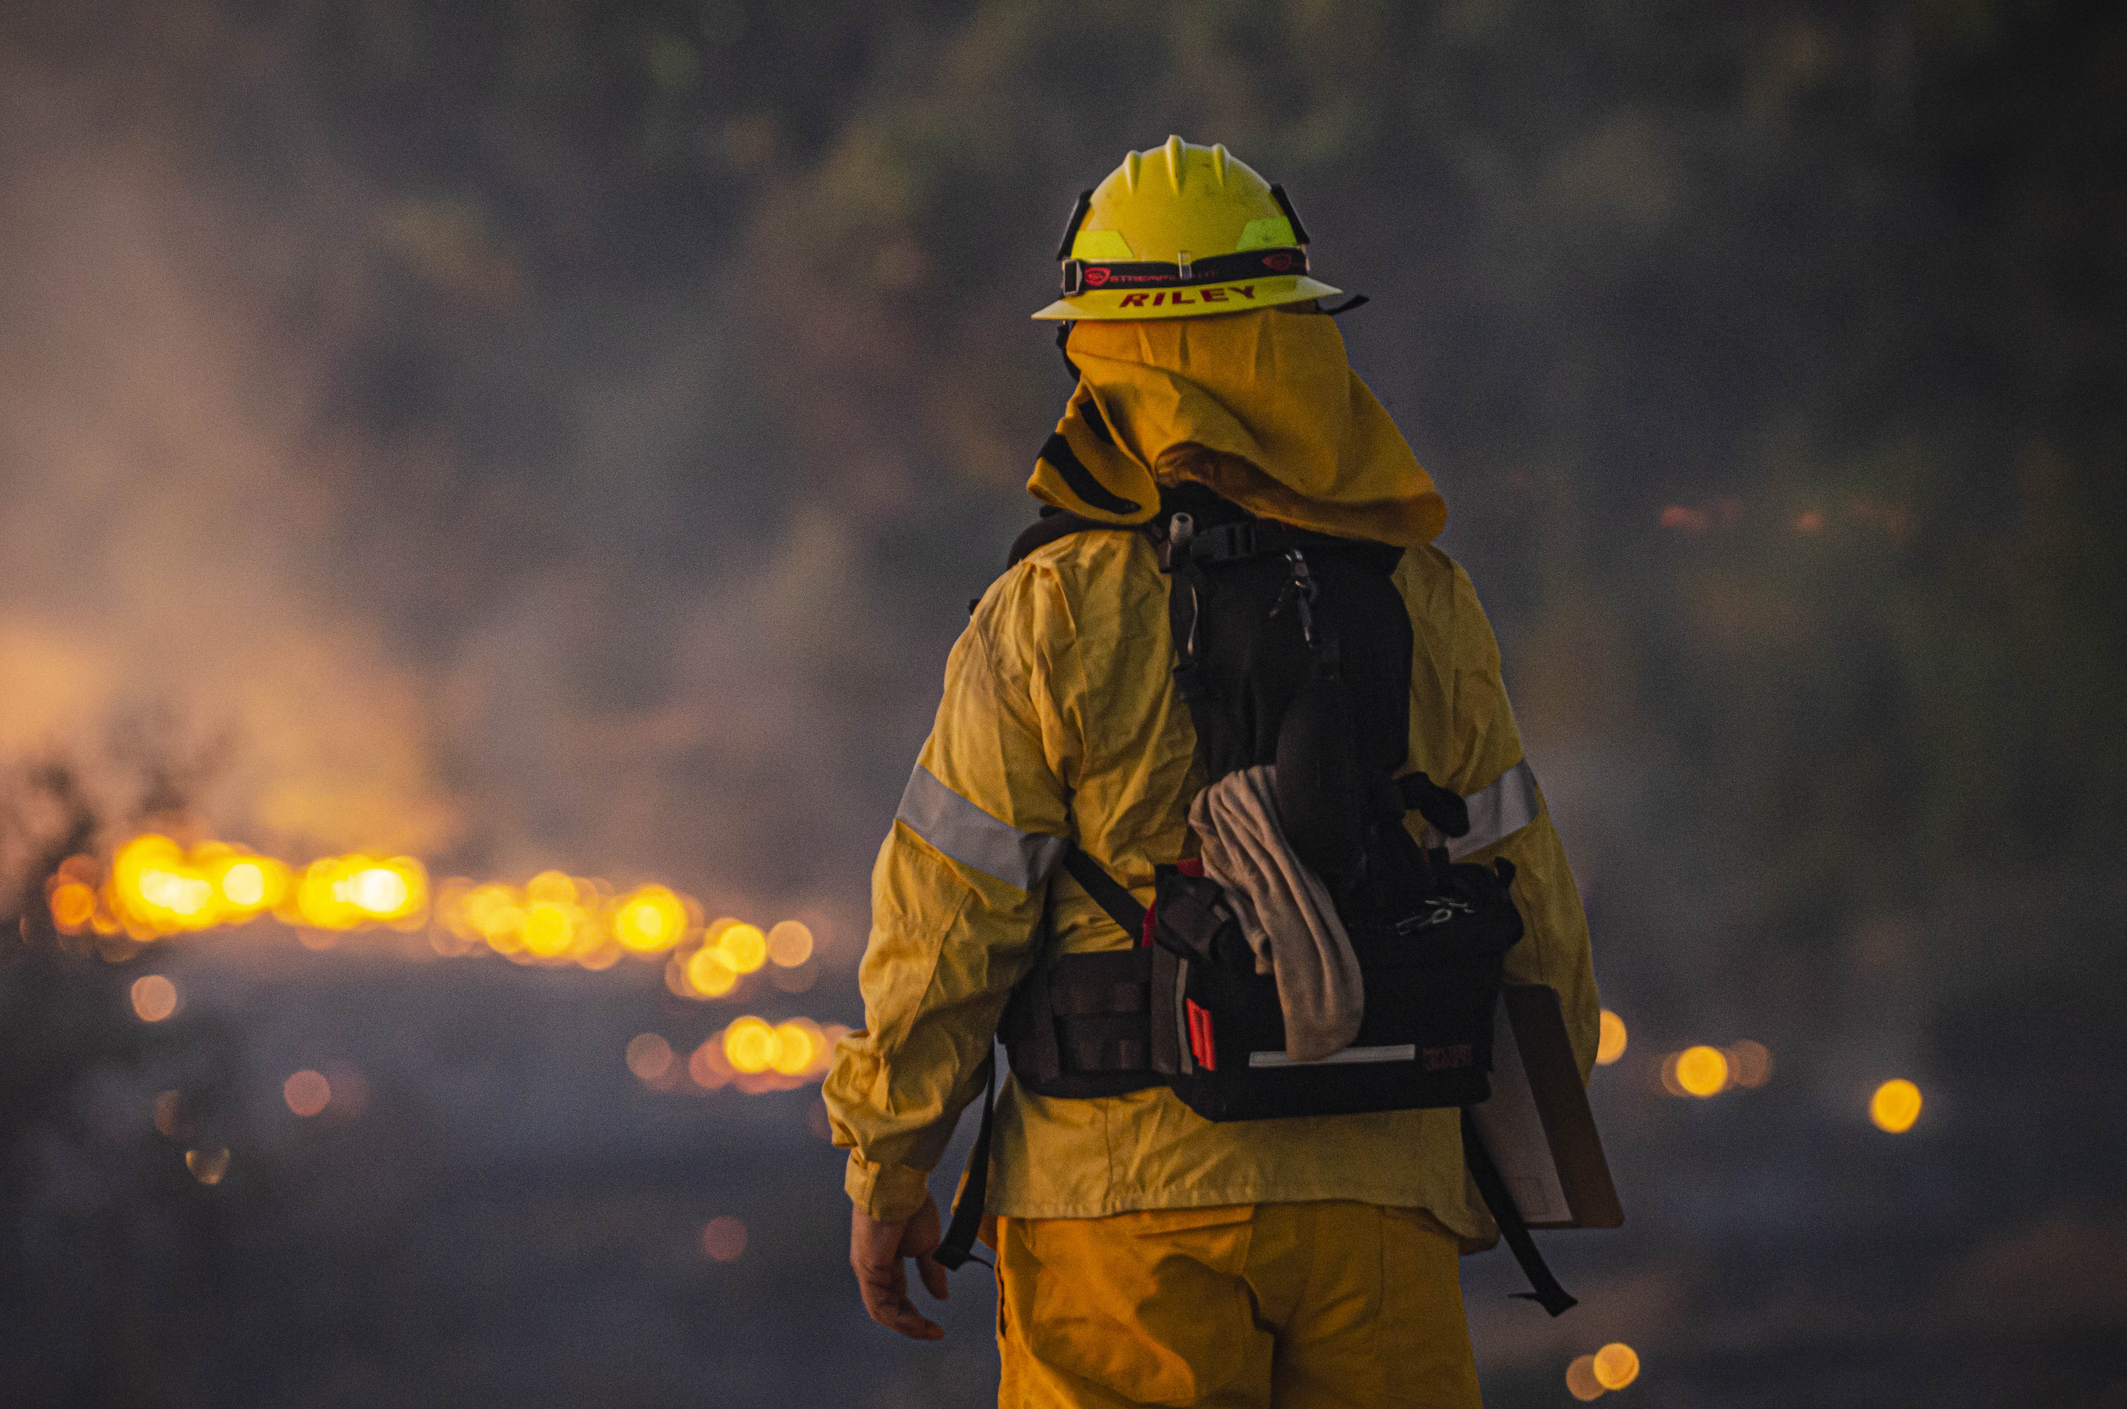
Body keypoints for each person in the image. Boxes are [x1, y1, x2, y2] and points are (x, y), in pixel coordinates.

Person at [824, 135, 1599, 1409]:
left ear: (1101, 351)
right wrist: (1513, 1171)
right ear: (1296, 340)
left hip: (1121, 1208)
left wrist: (888, 1168)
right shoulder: (1425, 600)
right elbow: (1526, 897)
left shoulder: (1051, 609)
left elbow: (949, 922)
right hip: (1378, 1196)